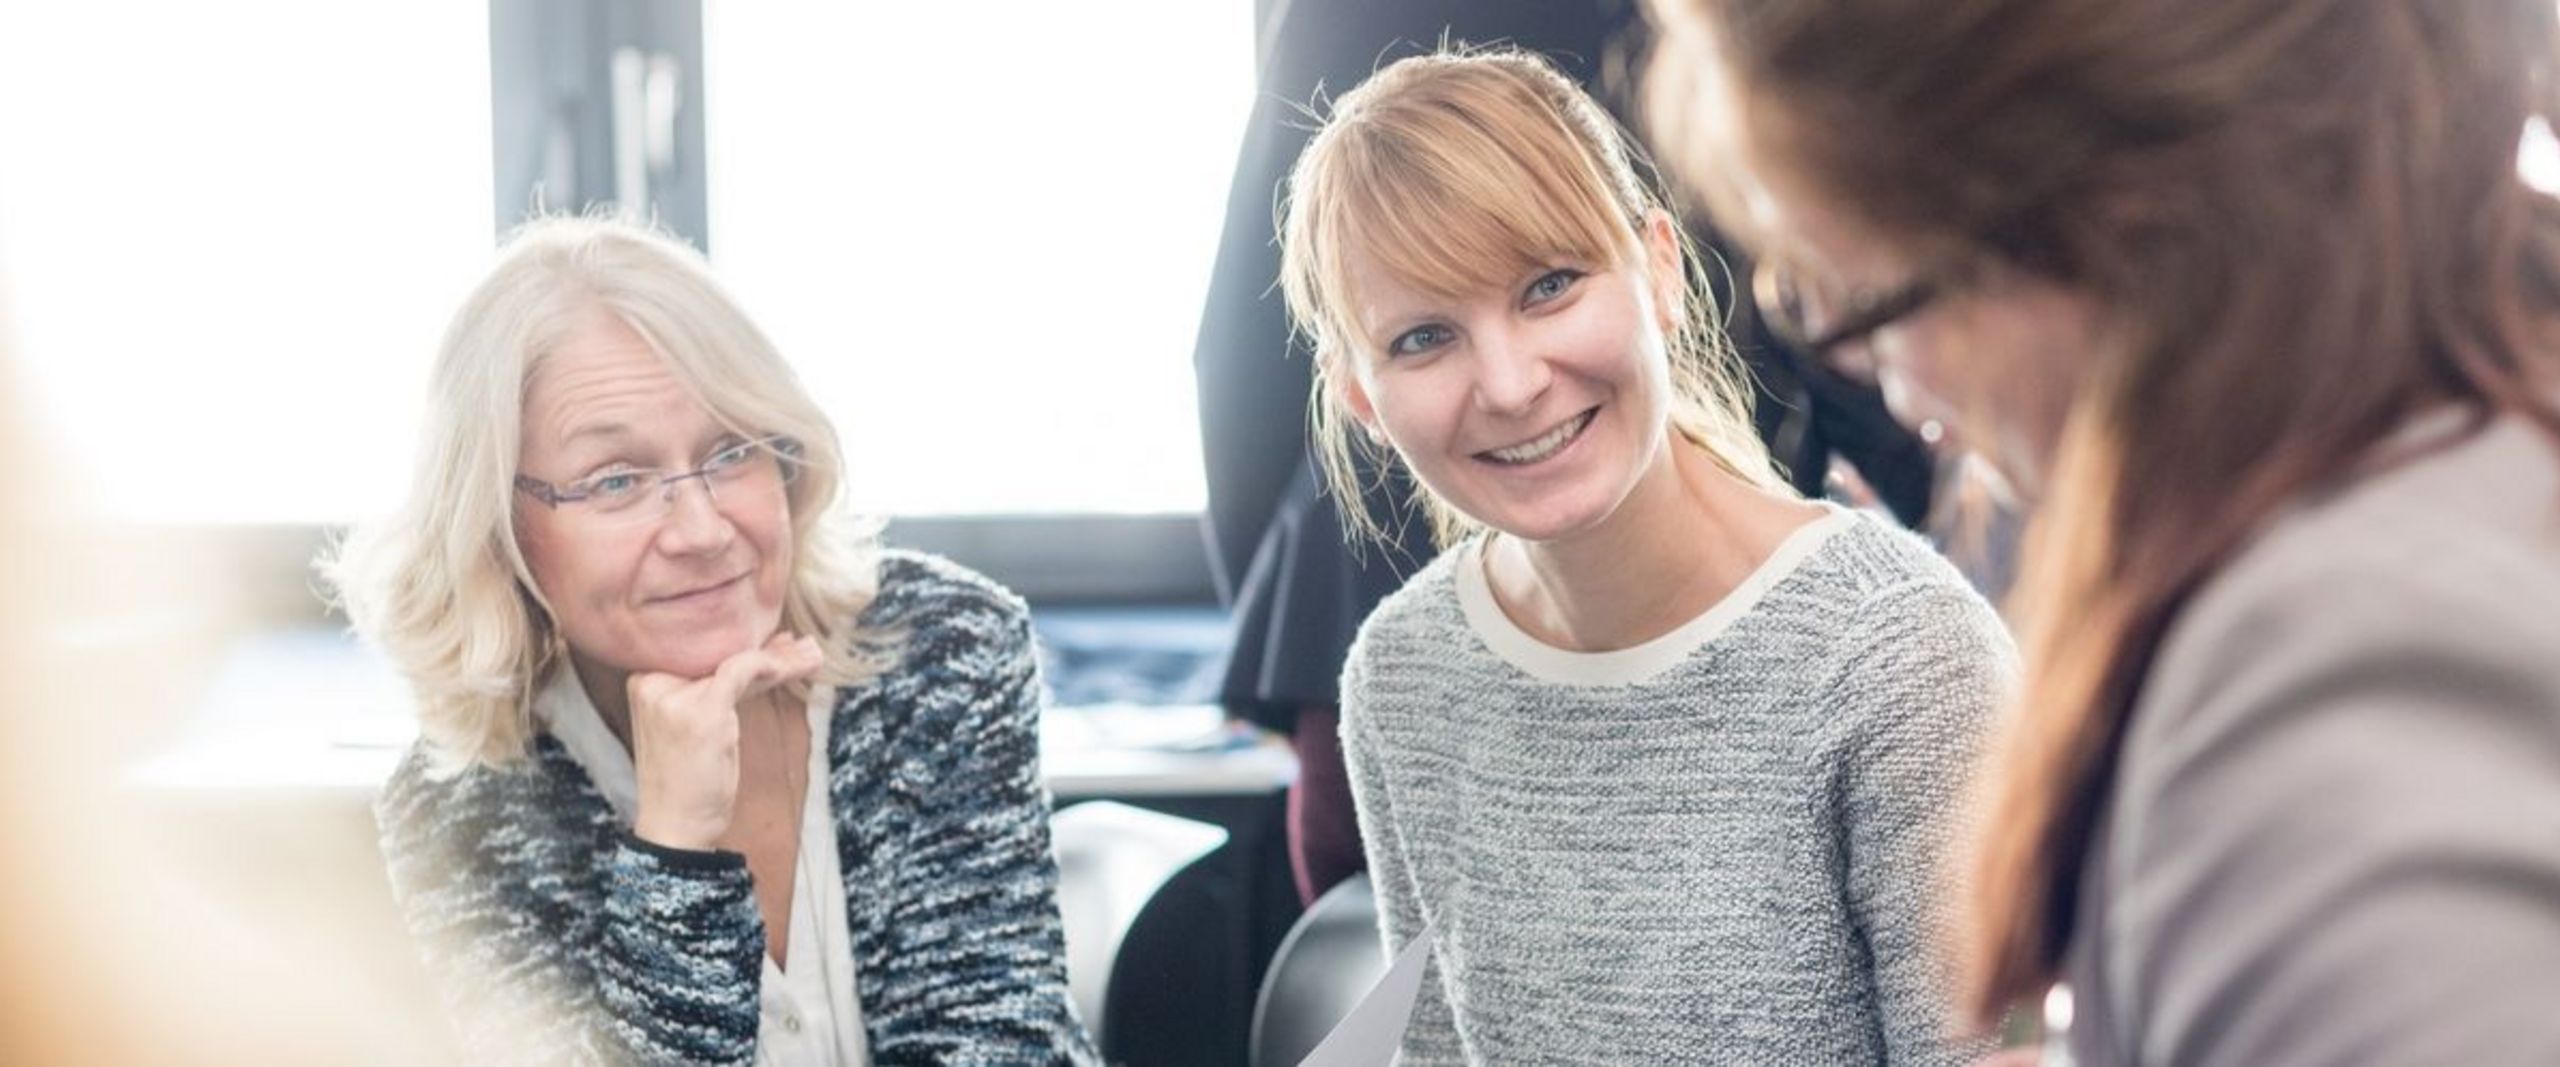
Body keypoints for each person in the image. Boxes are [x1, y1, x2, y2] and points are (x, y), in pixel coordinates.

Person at [1643, 1, 2560, 1063]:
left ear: (2118, 217)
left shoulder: (2333, 680)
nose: (1891, 391)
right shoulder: (2476, 425)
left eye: (1868, 298)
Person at [1278, 48, 2015, 1064]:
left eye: (1548, 285)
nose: (1507, 382)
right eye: (1422, 339)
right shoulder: (1402, 675)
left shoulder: (1896, 655)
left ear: (1659, 271)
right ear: (1360, 396)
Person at [325, 216, 1096, 1065]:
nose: (700, 528)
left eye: (732, 452)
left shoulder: (941, 648)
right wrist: (675, 847)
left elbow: (998, 1047)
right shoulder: (458, 809)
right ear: (499, 527)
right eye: (616, 479)